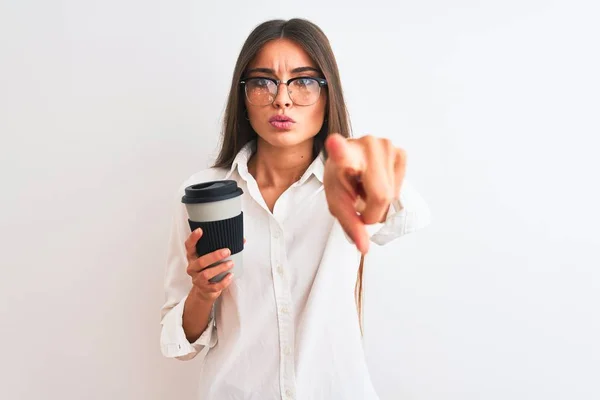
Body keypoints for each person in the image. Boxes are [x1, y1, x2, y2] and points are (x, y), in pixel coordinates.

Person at [160, 18, 431, 400]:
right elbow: (178, 342)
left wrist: (367, 165)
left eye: (303, 81)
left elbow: (412, 217)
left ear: (327, 94)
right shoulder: (200, 193)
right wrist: (203, 293)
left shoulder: (350, 181)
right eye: (263, 82)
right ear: (244, 97)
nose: (282, 99)